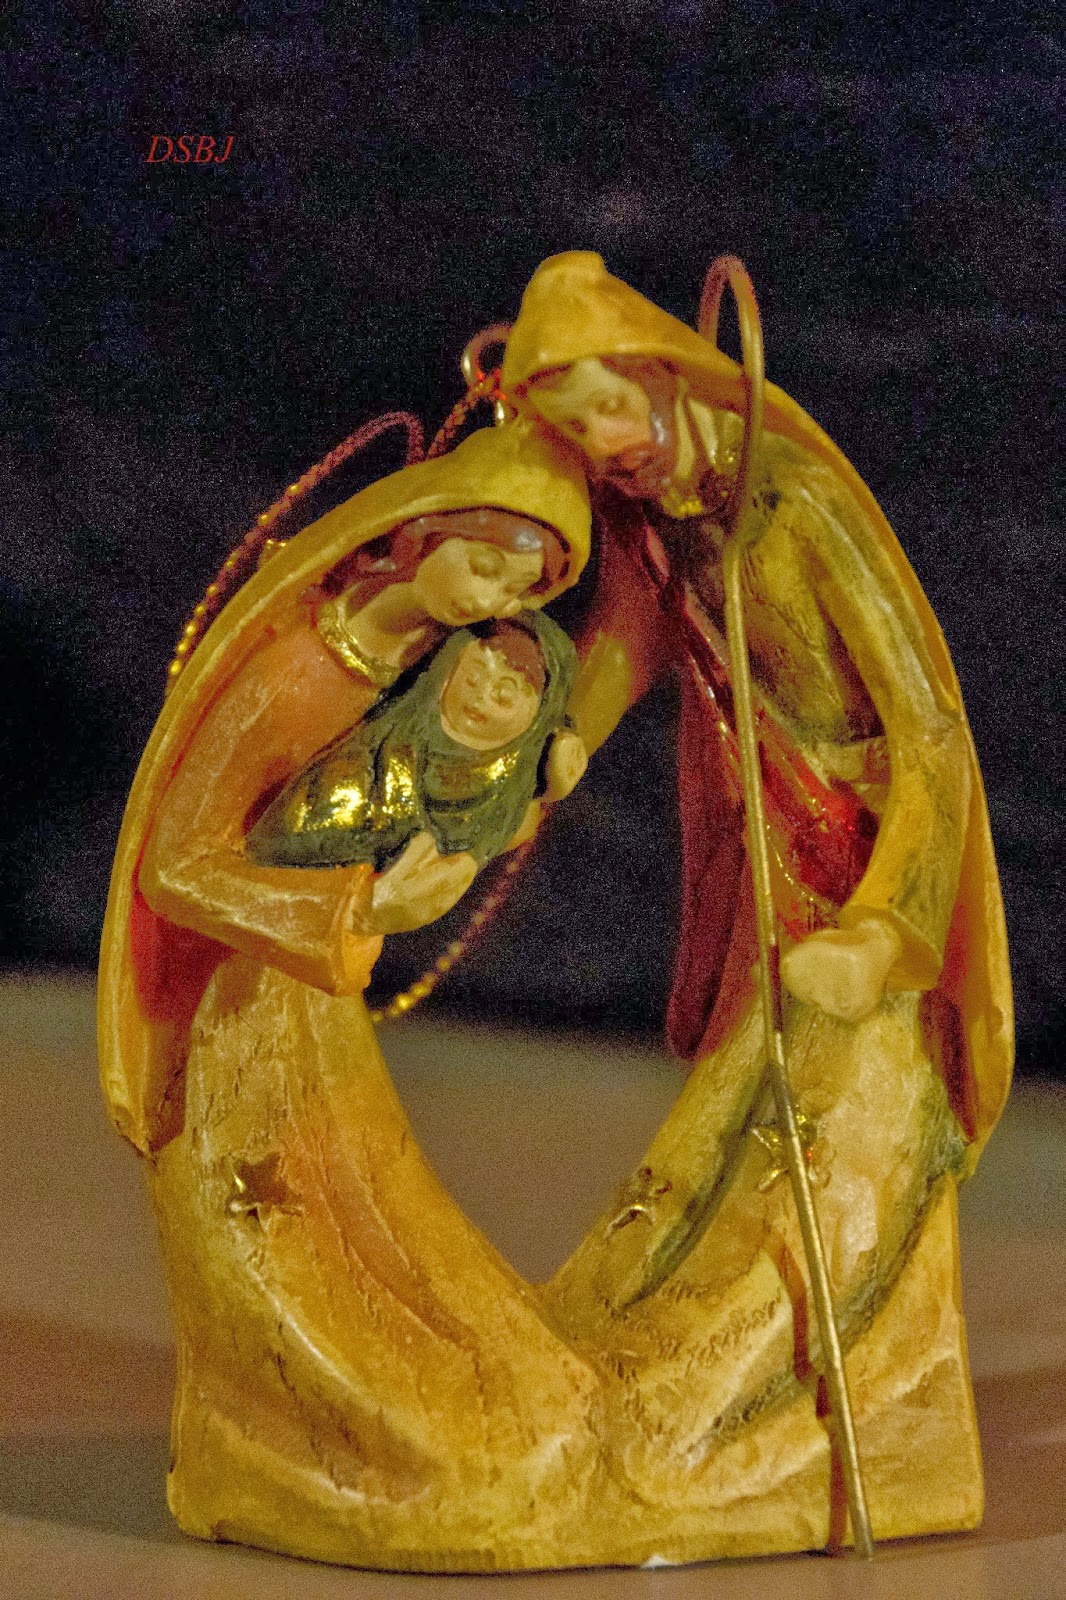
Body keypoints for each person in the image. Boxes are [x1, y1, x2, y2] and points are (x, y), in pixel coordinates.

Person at [500, 251, 1013, 1539]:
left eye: (604, 410)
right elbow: (631, 630)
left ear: (663, 373)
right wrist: (571, 734)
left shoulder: (797, 507)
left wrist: (887, 927)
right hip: (761, 844)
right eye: (572, 432)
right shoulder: (654, 515)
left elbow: (928, 732)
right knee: (735, 1115)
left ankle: (820, 1414)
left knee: (847, 1136)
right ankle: (635, 1362)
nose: (600, 448)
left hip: (859, 856)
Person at [245, 610, 586, 932]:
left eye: (504, 695)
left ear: (536, 719)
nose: (480, 698)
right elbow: (277, 847)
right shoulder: (372, 759)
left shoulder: (499, 805)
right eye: (472, 678)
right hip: (275, 896)